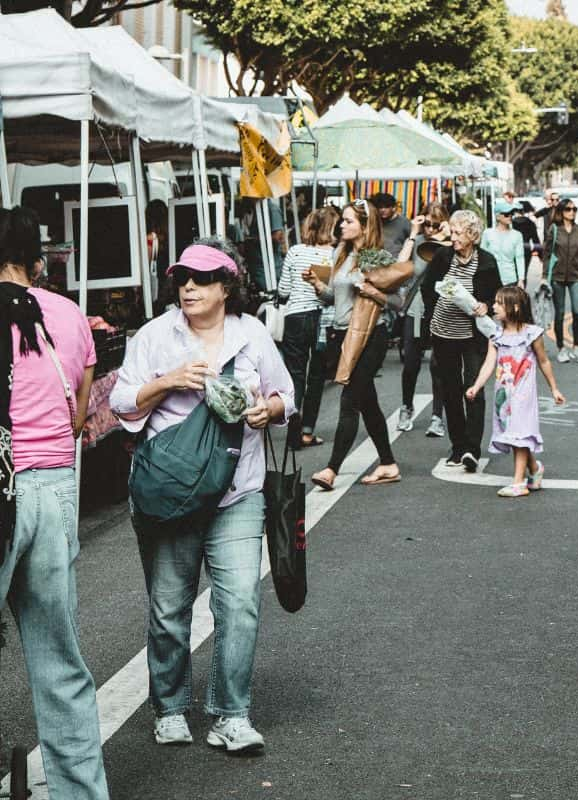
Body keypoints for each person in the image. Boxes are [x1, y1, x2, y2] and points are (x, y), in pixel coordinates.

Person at [112, 238, 295, 754]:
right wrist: (166, 382)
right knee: (169, 608)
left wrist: (269, 410)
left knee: (239, 603)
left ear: (226, 286)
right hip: (171, 494)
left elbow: (288, 396)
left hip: (239, 491)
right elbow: (122, 402)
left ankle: (231, 714)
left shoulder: (252, 335)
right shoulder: (156, 336)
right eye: (182, 278)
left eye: (201, 278)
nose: (188, 287)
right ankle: (170, 707)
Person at [0, 207, 109, 798]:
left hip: (2, 485)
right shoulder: (67, 315)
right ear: (36, 263)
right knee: (59, 661)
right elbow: (77, 416)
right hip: (54, 491)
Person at [304, 201, 401, 490]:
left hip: (371, 336)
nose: (341, 225)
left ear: (364, 225)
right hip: (342, 335)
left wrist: (372, 291)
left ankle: (331, 469)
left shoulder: (377, 258)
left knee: (350, 401)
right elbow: (333, 299)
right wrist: (317, 286)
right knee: (367, 402)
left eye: (348, 221)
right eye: (342, 221)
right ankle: (388, 463)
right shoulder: (340, 254)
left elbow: (397, 301)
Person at [465, 286, 566, 497]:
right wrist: (476, 385)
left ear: (515, 307)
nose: (493, 306)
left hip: (523, 394)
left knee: (519, 433)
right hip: (504, 395)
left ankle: (518, 483)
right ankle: (535, 470)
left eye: (499, 303)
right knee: (516, 436)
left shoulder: (532, 333)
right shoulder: (496, 335)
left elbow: (544, 361)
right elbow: (488, 363)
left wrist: (554, 389)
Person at [421, 209, 501, 472]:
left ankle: (472, 450)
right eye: (452, 232)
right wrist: (434, 311)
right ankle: (457, 446)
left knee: (473, 389)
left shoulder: (486, 261)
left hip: (472, 335)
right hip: (444, 333)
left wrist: (485, 305)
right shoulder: (443, 256)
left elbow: (495, 294)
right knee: (450, 390)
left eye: (457, 233)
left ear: (472, 235)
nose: (452, 237)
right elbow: (427, 286)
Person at [277, 207, 338, 448]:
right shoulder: (335, 255)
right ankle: (307, 431)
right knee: (316, 376)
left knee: (295, 375)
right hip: (323, 320)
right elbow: (332, 295)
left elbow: (283, 290)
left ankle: (293, 424)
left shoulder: (295, 251)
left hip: (295, 317)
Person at [393, 203, 448, 437]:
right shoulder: (416, 243)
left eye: (436, 224)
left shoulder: (449, 245)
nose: (430, 229)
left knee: (439, 366)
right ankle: (406, 407)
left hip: (442, 310)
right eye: (427, 223)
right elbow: (401, 266)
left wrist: (446, 237)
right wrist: (413, 234)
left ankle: (437, 416)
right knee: (411, 364)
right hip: (416, 310)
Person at [547, 198, 578, 364]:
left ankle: (577, 348)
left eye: (574, 209)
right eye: (568, 209)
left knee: (577, 312)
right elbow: (546, 255)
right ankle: (561, 348)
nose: (571, 212)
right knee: (559, 313)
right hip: (557, 277)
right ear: (561, 211)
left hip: (575, 276)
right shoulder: (554, 230)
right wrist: (545, 277)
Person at [481, 200, 525, 287]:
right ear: (498, 216)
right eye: (506, 214)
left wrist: (521, 279)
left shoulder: (517, 235)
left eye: (512, 214)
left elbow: (519, 258)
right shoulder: (487, 233)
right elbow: (482, 257)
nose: (510, 216)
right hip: (491, 279)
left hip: (510, 280)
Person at [371, 192, 413, 259]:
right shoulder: (374, 222)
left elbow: (413, 241)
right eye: (380, 207)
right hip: (376, 262)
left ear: (393, 207)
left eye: (386, 206)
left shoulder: (404, 222)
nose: (383, 210)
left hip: (397, 263)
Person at [512, 200, 541, 272]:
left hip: (513, 249)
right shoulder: (530, 223)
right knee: (523, 273)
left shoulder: (512, 223)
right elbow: (535, 239)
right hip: (526, 249)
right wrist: (539, 253)